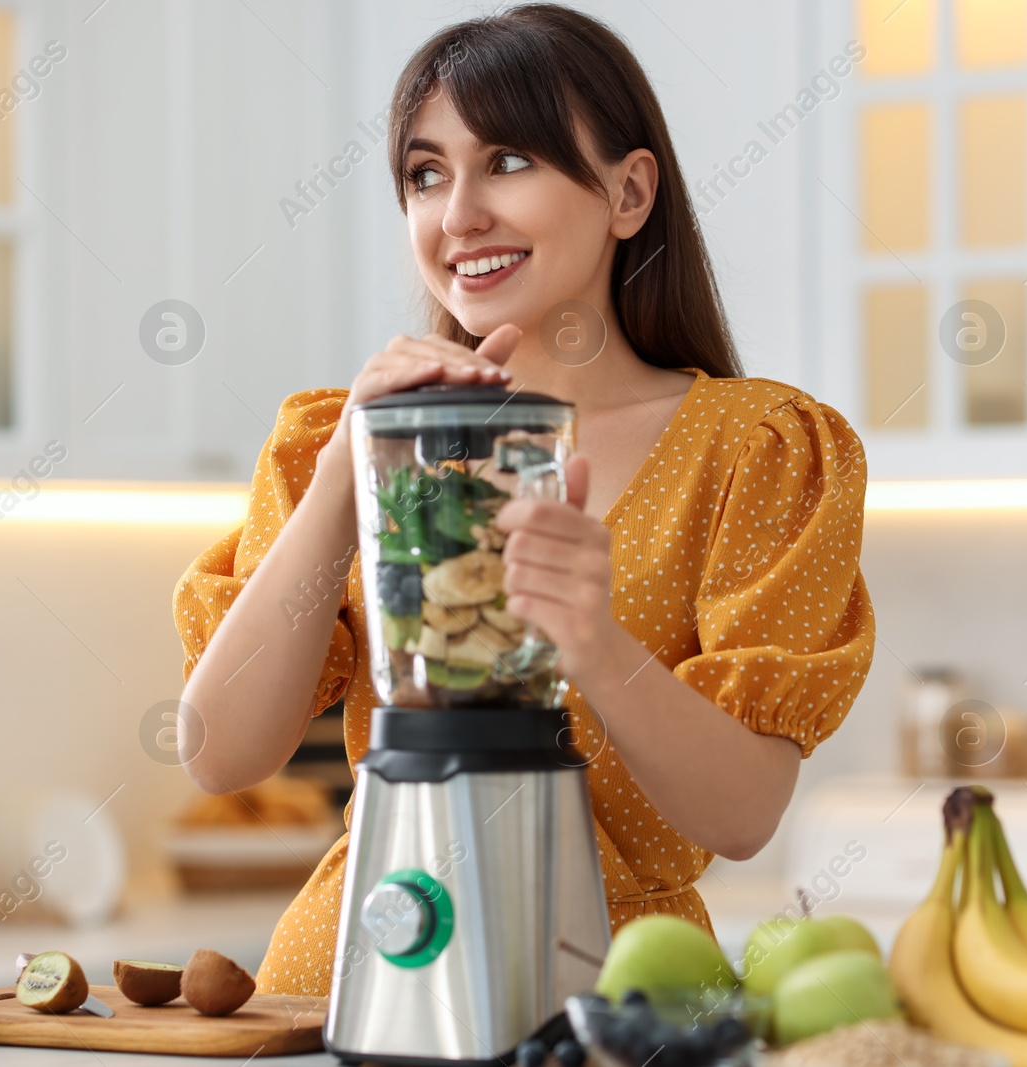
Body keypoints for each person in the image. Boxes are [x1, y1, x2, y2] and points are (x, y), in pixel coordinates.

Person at [171, 2, 875, 997]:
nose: (457, 214)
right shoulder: (347, 439)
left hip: (620, 990)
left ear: (628, 192)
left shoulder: (754, 451)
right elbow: (219, 752)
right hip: (345, 977)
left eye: (507, 160)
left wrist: (590, 635)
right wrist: (344, 473)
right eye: (425, 173)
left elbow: (743, 815)